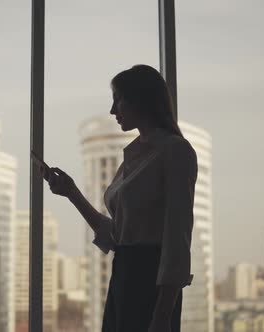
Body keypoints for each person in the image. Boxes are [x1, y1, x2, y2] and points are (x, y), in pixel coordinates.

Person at [39, 64, 198, 332]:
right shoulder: (132, 157)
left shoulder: (176, 152)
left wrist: (161, 316)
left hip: (152, 288)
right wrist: (71, 192)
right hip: (123, 278)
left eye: (118, 100)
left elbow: (177, 242)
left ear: (141, 99)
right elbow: (118, 236)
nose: (113, 110)